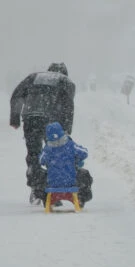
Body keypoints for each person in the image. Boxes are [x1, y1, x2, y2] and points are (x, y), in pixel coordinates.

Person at [9, 62, 76, 204]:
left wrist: (15, 118)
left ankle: (36, 187)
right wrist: (66, 129)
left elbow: (16, 95)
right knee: (54, 155)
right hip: (52, 120)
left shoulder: (33, 77)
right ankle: (51, 191)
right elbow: (68, 106)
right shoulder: (65, 81)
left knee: (34, 153)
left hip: (31, 117)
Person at [38, 122, 91, 207]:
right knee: (85, 173)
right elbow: (85, 153)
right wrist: (76, 159)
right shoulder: (70, 145)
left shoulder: (48, 149)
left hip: (53, 183)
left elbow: (41, 160)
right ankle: (81, 198)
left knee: (39, 175)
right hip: (71, 181)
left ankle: (46, 200)